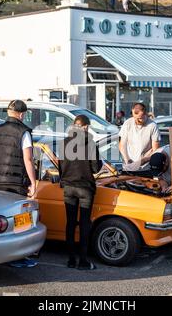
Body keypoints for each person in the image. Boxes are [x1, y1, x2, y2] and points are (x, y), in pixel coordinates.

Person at [0, 99, 38, 267]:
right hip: (16, 182)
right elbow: (28, 159)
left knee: (1, 221)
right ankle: (18, 257)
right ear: (22, 114)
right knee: (20, 221)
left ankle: (0, 256)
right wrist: (33, 182)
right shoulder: (23, 132)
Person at [59, 115, 103, 270]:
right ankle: (83, 261)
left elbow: (61, 167)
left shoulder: (63, 143)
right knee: (85, 224)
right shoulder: (90, 143)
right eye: (88, 127)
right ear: (85, 127)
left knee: (70, 223)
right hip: (85, 188)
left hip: (68, 187)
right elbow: (96, 168)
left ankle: (71, 260)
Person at [119, 102, 160, 172]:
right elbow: (122, 145)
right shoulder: (127, 123)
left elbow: (156, 150)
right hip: (129, 167)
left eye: (140, 118)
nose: (136, 120)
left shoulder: (153, 126)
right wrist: (128, 160)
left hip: (145, 168)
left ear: (145, 114)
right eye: (135, 118)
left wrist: (143, 161)